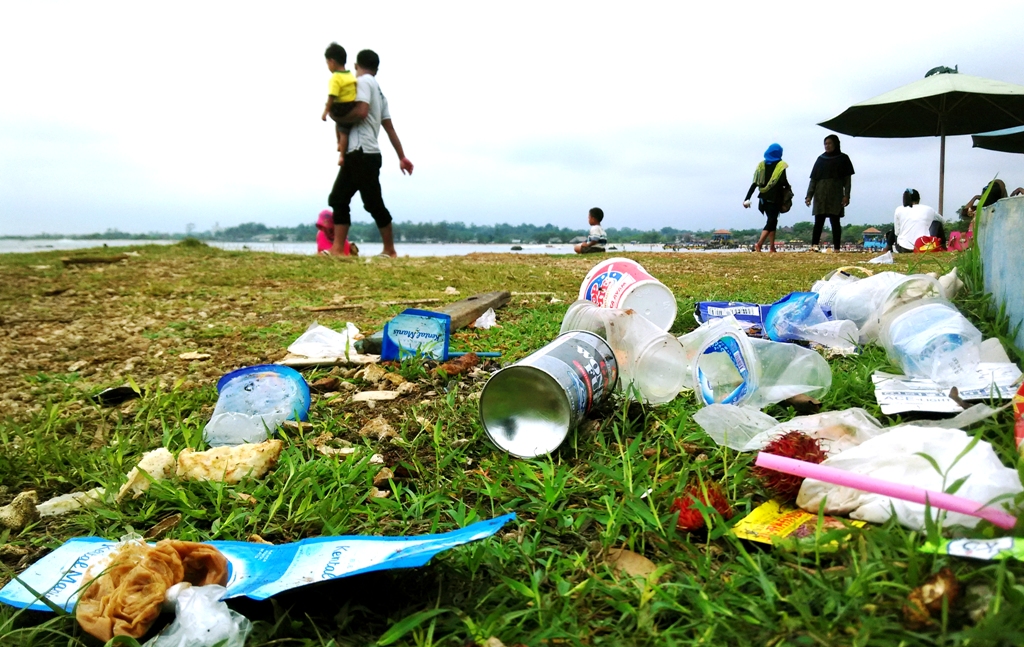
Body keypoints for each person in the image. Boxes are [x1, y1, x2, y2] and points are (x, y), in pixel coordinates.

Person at [327, 49, 414, 258]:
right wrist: (401, 156)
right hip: (364, 153)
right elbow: (389, 128)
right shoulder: (381, 93)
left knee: (372, 202)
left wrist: (337, 118)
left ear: (357, 66)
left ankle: (389, 250)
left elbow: (361, 111)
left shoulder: (364, 82)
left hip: (362, 152)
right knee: (339, 198)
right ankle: (338, 250)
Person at [805, 134, 854, 252]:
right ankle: (814, 246)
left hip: (836, 194)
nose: (827, 146)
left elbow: (847, 180)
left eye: (829, 143)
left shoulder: (843, 159)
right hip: (820, 194)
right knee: (818, 222)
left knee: (835, 221)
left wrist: (846, 195)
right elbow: (813, 180)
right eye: (825, 144)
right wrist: (809, 196)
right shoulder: (820, 159)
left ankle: (837, 248)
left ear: (836, 144)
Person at [743, 143, 791, 252]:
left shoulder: (761, 166)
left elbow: (754, 183)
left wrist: (747, 198)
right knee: (772, 220)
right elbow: (783, 181)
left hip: (763, 198)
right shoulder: (781, 165)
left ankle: (772, 247)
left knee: (773, 221)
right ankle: (759, 244)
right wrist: (788, 188)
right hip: (775, 197)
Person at [321, 43, 358, 167]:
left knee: (343, 131)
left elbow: (332, 95)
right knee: (342, 128)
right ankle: (339, 144)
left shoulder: (335, 78)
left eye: (327, 63)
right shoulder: (350, 75)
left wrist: (326, 111)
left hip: (341, 107)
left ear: (332, 61)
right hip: (352, 106)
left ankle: (341, 155)